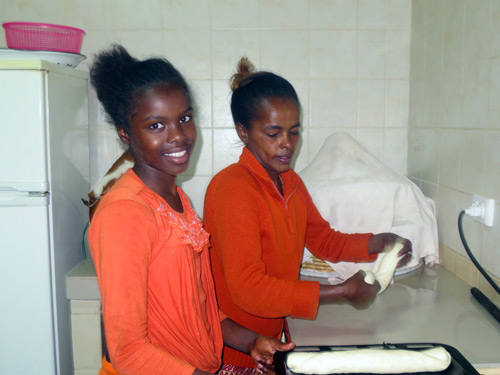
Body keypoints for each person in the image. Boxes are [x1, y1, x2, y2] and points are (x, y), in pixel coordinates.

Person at [88, 45, 294, 375]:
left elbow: (198, 310)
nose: (180, 136)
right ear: (125, 133)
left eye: (184, 118)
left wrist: (249, 341)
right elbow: (128, 352)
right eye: (156, 125)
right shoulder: (125, 213)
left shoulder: (178, 201)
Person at [203, 57, 413, 368]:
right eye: (273, 134)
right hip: (237, 353)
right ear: (243, 133)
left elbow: (324, 240)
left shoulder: (291, 184)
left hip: (272, 340)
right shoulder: (233, 188)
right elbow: (248, 288)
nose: (287, 145)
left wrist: (381, 241)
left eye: (294, 132)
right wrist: (341, 291)